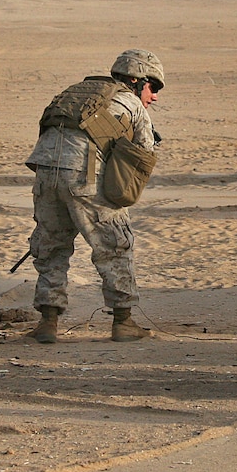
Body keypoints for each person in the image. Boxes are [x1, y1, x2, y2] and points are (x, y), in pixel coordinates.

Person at [25, 49, 163, 344]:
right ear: (137, 81)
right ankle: (123, 322)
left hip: (44, 172)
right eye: (153, 87)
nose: (155, 97)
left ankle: (48, 323)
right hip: (83, 176)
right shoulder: (130, 102)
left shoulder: (76, 92)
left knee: (51, 247)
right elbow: (145, 154)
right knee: (115, 244)